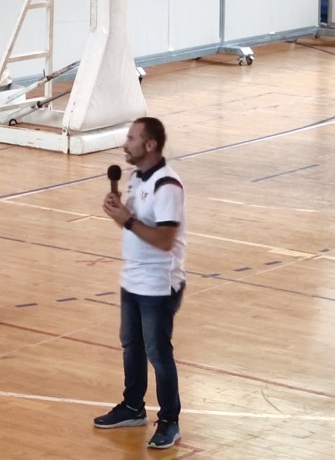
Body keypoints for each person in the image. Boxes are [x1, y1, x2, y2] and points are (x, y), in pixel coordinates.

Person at [95, 117, 186, 449]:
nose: (125, 144)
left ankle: (170, 421)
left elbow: (164, 239)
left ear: (150, 145)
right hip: (133, 277)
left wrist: (127, 219)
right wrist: (119, 213)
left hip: (158, 283)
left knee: (158, 353)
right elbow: (134, 226)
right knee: (131, 345)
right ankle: (133, 407)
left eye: (132, 138)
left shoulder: (167, 186)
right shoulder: (136, 178)